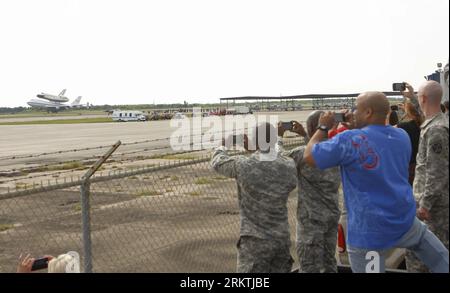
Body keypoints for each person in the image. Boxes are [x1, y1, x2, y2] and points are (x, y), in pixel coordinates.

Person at [302, 91, 449, 273]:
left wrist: (323, 128)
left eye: (356, 109)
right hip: (404, 222)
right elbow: (372, 141)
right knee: (442, 260)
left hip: (370, 233)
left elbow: (309, 156)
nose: (352, 112)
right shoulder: (401, 136)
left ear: (368, 112)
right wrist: (356, 126)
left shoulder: (348, 140)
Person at [210, 122, 298, 273]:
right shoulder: (289, 165)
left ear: (255, 141)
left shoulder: (244, 164)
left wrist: (224, 145)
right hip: (281, 239)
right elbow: (279, 154)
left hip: (255, 241)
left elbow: (217, 162)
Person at [278, 112, 341, 273]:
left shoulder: (301, 153)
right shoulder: (337, 149)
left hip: (311, 221)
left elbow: (278, 159)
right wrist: (306, 135)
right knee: (329, 262)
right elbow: (316, 149)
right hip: (331, 216)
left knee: (309, 266)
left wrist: (279, 137)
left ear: (312, 127)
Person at [405, 80, 449, 273]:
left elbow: (436, 172)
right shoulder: (435, 122)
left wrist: (425, 205)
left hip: (433, 209)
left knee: (423, 260)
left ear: (424, 99)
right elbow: (423, 113)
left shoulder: (436, 130)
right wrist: (413, 97)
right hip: (434, 205)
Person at [397, 101, 423, 185]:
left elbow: (387, 129)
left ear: (407, 111)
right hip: (420, 161)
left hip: (410, 163)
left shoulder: (404, 126)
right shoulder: (423, 123)